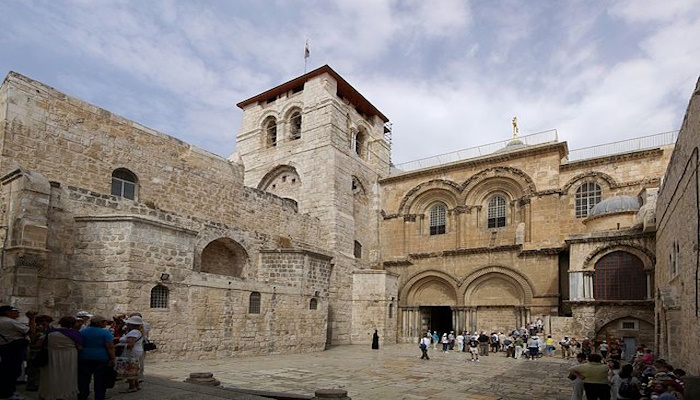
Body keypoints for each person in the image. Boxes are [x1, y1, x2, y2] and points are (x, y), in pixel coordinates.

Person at [39, 316, 83, 400]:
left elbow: (39, 343)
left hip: (52, 355)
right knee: (67, 374)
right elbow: (79, 347)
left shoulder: (50, 332)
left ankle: (50, 392)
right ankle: (65, 393)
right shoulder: (75, 333)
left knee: (52, 373)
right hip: (69, 356)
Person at [0, 305, 36, 400]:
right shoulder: (10, 322)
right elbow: (31, 331)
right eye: (15, 310)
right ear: (7, 312)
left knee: (6, 370)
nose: (18, 312)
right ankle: (8, 393)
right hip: (13, 348)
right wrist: (32, 319)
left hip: (4, 347)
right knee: (13, 371)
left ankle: (8, 391)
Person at [78, 315, 115, 400]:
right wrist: (112, 359)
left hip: (84, 357)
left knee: (84, 379)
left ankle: (83, 396)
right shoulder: (105, 333)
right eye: (104, 322)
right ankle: (99, 397)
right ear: (100, 323)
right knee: (100, 380)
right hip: (101, 358)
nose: (106, 323)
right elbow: (110, 347)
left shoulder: (83, 332)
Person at [25, 314, 53, 392]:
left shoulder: (50, 329)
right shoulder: (35, 329)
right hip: (34, 351)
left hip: (45, 351)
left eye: (47, 321)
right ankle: (31, 385)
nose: (44, 322)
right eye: (42, 321)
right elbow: (32, 337)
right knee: (33, 369)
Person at [117, 315, 145, 392]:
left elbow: (130, 344)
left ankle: (132, 386)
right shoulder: (138, 331)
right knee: (134, 368)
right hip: (137, 351)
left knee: (129, 368)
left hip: (132, 352)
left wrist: (118, 345)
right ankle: (136, 385)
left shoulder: (133, 332)